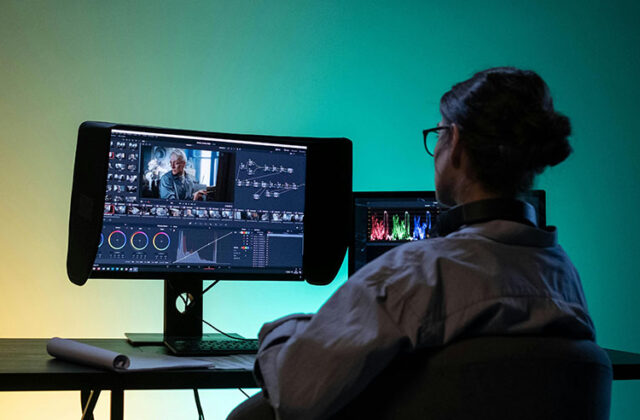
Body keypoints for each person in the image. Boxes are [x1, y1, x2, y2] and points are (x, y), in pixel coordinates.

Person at [227, 67, 595, 420]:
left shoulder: (418, 273)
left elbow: (297, 396)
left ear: (459, 146)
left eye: (438, 136)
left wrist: (280, 332)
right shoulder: (564, 279)